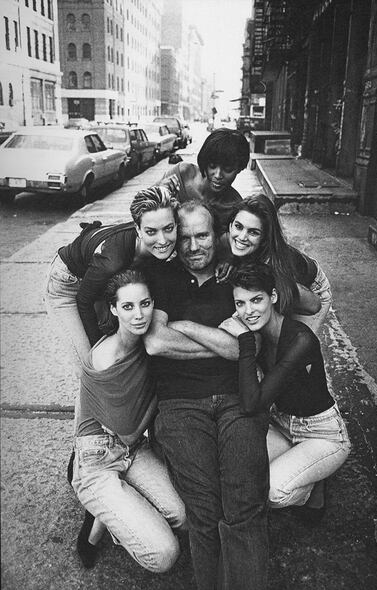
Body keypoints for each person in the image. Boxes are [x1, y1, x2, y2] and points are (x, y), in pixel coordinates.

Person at [143, 200, 270, 590]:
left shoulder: (237, 274)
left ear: (216, 235)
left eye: (202, 235)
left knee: (244, 505)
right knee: (203, 506)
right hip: (179, 403)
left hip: (237, 396)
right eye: (185, 237)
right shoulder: (158, 277)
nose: (194, 246)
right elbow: (155, 344)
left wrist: (185, 326)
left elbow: (245, 348)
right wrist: (222, 339)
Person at [72, 268, 186, 571]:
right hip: (99, 455)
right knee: (163, 555)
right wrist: (161, 395)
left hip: (134, 450)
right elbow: (127, 431)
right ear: (113, 309)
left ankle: (112, 508)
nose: (139, 315)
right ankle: (100, 517)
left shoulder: (150, 342)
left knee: (185, 516)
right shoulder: (107, 357)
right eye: (128, 306)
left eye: (145, 304)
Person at [220, 263, 351, 522]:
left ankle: (316, 483)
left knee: (272, 492)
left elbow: (251, 403)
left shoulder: (301, 340)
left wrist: (245, 341)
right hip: (281, 426)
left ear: (274, 297)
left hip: (322, 434)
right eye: (240, 304)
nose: (248, 311)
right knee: (236, 471)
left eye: (256, 300)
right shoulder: (259, 334)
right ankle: (307, 468)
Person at [44, 185, 178, 375]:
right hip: (67, 284)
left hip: (100, 279)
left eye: (168, 228)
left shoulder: (165, 245)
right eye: (151, 232)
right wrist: (98, 351)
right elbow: (84, 301)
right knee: (91, 369)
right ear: (138, 230)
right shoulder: (112, 261)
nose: (163, 240)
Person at [224, 193, 332, 334]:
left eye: (253, 232)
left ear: (264, 238)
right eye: (238, 227)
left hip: (312, 291)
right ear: (231, 225)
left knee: (293, 344)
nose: (242, 237)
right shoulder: (228, 240)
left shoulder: (272, 268)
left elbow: (313, 305)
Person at [159, 127, 250, 234]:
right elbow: (144, 208)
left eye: (228, 169)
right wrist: (160, 190)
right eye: (212, 166)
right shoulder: (182, 174)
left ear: (239, 169)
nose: (218, 175)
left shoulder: (234, 207)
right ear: (205, 162)